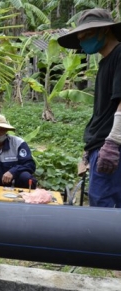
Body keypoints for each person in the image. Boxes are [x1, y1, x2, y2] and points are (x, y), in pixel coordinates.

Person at [58, 8, 121, 207]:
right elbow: (103, 112)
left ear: (105, 30)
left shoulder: (120, 55)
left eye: (88, 34)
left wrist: (113, 142)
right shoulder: (105, 63)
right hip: (100, 146)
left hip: (112, 146)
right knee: (100, 203)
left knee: (104, 208)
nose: (83, 39)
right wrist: (90, 148)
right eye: (81, 36)